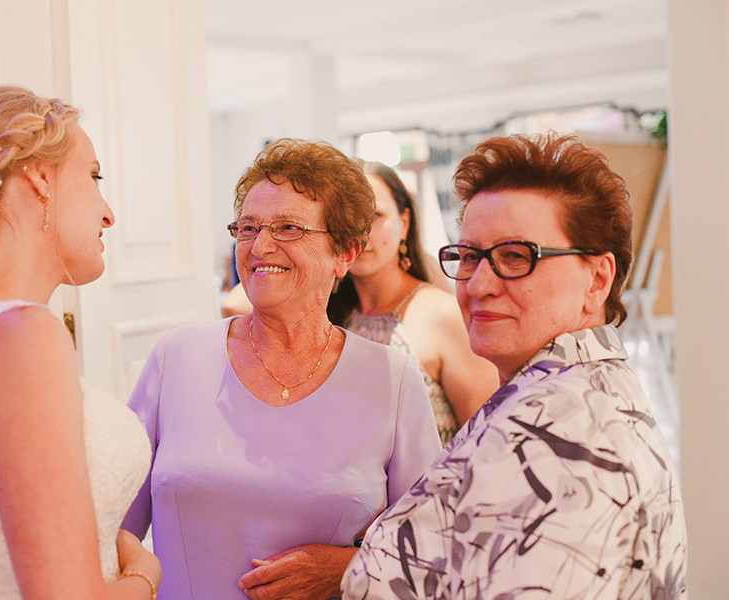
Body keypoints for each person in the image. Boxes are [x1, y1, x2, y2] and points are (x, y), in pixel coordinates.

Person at [342, 132, 688, 599]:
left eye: (516, 256)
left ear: (597, 279)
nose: (478, 284)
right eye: (470, 256)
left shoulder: (565, 441)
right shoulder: (553, 396)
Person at [124, 138, 443, 599]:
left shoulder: (392, 380)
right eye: (248, 227)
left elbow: (430, 549)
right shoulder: (176, 357)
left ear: (345, 253)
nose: (260, 246)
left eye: (288, 228)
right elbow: (114, 529)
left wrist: (348, 568)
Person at [0, 86, 160, 600]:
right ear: (40, 178)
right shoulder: (23, 336)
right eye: (93, 177)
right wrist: (146, 576)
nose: (108, 213)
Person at [330, 161, 498, 445]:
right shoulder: (330, 316)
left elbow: (485, 443)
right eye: (343, 219)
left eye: (374, 216)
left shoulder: (441, 316)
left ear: (404, 222)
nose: (358, 232)